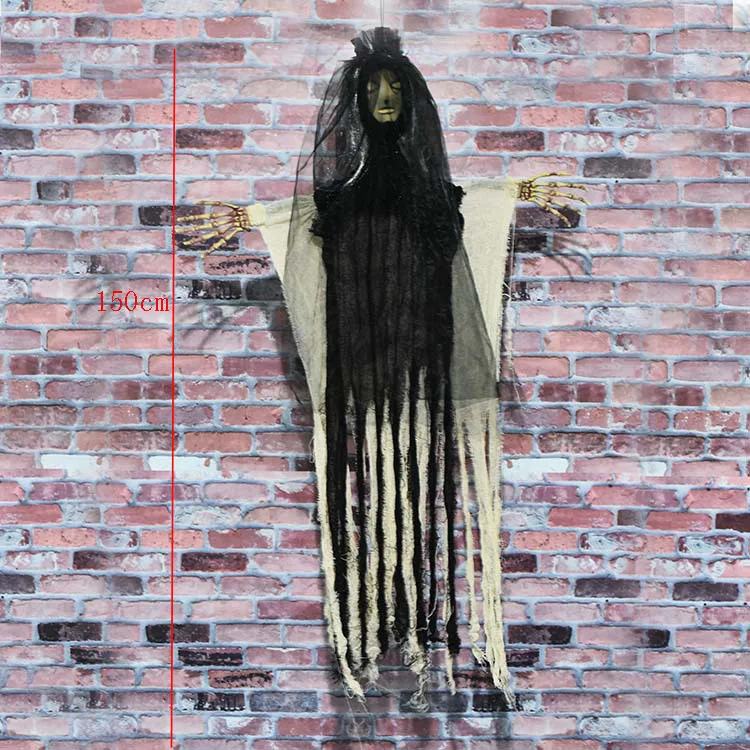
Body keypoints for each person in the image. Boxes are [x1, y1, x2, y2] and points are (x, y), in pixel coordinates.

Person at [177, 26, 586, 710]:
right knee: (374, 499)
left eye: (396, 87)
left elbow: (467, 199)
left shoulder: (436, 197)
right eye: (373, 89)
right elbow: (307, 217)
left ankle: (424, 637)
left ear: (413, 100)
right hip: (367, 377)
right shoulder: (342, 202)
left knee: (422, 497)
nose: (386, 98)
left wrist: (514, 193)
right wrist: (250, 218)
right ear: (357, 102)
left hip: (423, 372)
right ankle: (375, 632)